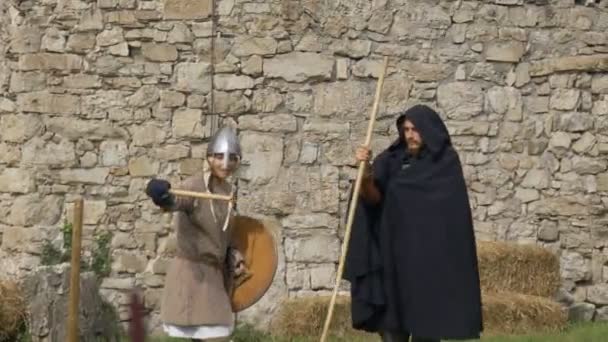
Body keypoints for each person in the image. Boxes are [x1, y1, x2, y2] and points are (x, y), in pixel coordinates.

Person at [343, 104, 483, 342]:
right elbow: (373, 198)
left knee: (427, 330)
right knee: (392, 328)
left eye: (415, 129)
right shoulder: (390, 160)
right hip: (394, 258)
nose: (410, 135)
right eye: (406, 129)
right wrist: (365, 173)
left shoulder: (445, 164)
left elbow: (452, 222)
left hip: (429, 266)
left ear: (429, 130)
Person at [145, 126, 247, 342]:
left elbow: (222, 236)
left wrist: (233, 254)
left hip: (214, 279)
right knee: (217, 336)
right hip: (192, 277)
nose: (225, 164)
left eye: (232, 158)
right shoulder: (194, 185)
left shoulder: (228, 192)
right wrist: (161, 195)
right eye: (219, 157)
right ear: (209, 157)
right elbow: (176, 201)